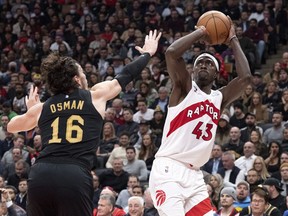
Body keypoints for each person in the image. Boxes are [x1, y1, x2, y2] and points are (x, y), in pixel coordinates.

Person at [7, 30, 162, 216]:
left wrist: (33, 110)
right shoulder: (95, 96)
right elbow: (126, 74)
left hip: (41, 174)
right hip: (73, 173)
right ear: (76, 79)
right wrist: (147, 54)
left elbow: (11, 126)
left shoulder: (44, 107)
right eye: (83, 72)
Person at [149, 18, 251, 215]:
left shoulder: (219, 98)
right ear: (193, 70)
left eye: (209, 63)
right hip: (169, 169)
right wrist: (201, 33)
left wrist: (233, 39)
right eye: (199, 63)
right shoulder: (184, 88)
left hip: (194, 175)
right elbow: (171, 53)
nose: (203, 65)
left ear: (216, 74)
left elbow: (246, 77)